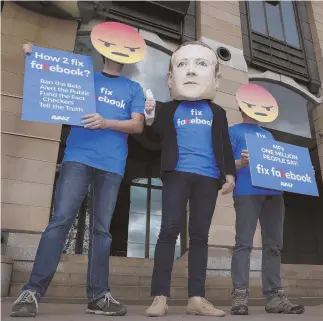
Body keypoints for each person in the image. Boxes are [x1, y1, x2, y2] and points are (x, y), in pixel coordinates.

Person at [11, 23, 146, 318]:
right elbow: (52, 76)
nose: (118, 52)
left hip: (112, 164)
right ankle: (32, 291)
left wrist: (106, 122)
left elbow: (137, 125)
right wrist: (33, 57)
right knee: (60, 221)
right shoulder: (85, 78)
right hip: (78, 157)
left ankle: (98, 297)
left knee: (102, 231)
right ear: (103, 49)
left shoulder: (133, 88)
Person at [144, 41, 236, 317]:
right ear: (171, 78)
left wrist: (229, 174)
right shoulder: (169, 109)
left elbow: (224, 145)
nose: (192, 72)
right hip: (177, 173)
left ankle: (197, 298)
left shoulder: (218, 112)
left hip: (208, 178)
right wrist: (149, 115)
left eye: (200, 65)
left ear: (215, 78)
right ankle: (159, 296)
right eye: (183, 65)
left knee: (199, 237)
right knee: (169, 230)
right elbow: (152, 137)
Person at [229, 84, 305, 315]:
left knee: (274, 245)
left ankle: (274, 297)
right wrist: (241, 163)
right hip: (246, 191)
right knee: (244, 243)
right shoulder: (233, 132)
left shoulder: (269, 134)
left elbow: (277, 163)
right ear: (243, 105)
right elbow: (222, 164)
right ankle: (239, 295)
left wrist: (301, 169)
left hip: (273, 193)